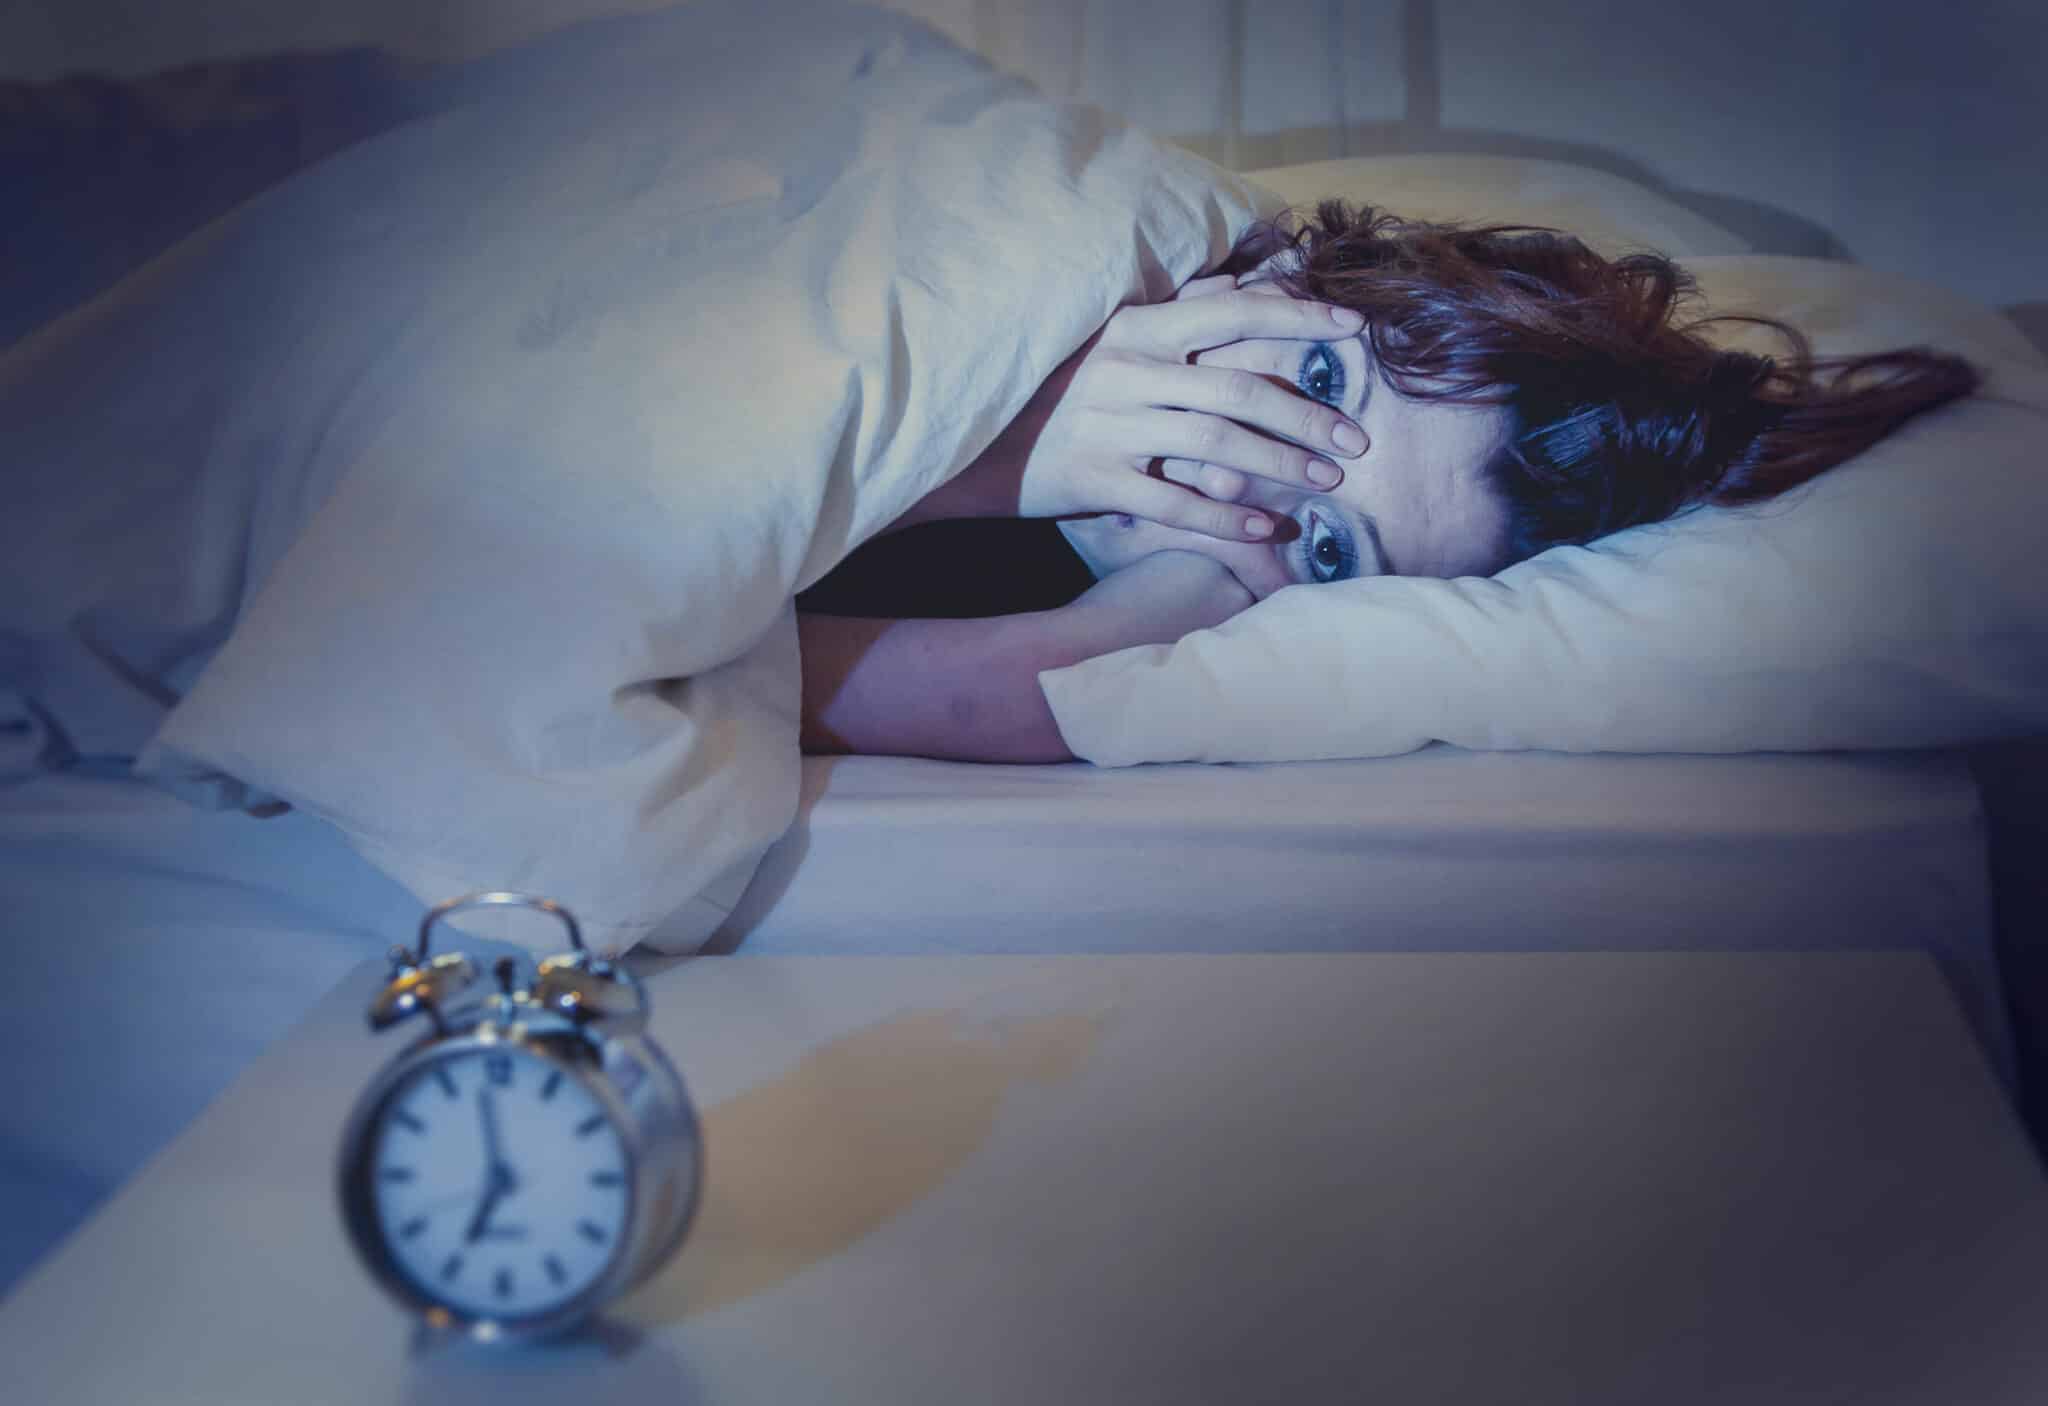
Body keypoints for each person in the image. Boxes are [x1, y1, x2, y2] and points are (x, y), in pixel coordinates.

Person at [796, 202, 1979, 763]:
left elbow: (707, 637)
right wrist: (991, 436)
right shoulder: (1050, 238)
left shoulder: (1174, 577)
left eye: (1327, 545)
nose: (1235, 473)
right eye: (1318, 378)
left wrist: (1057, 634)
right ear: (1286, 267)